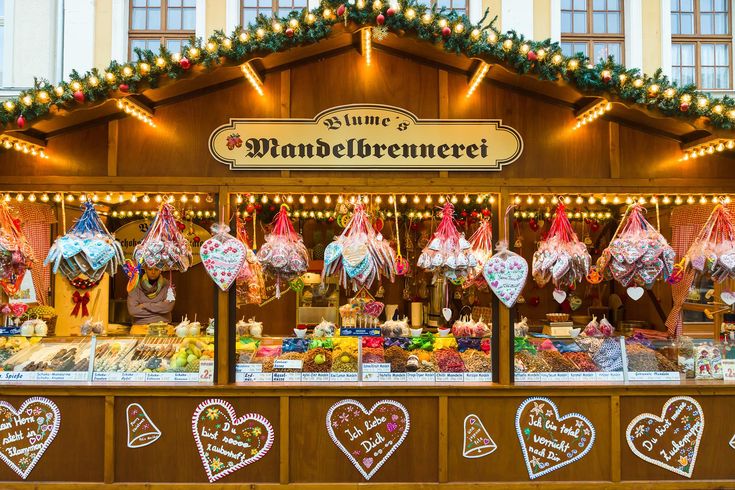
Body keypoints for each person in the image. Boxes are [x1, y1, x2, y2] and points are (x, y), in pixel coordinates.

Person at [127, 266, 174, 335]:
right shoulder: (135, 286)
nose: (153, 272)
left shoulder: (169, 286)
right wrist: (159, 309)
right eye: (150, 269)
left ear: (160, 270)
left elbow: (168, 307)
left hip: (163, 326)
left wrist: (144, 305)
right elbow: (132, 311)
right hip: (140, 327)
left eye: (156, 269)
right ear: (145, 269)